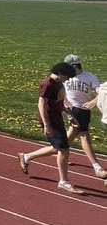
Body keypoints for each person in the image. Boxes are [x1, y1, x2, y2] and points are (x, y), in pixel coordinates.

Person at [18, 62, 83, 193]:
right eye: (67, 77)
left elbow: (59, 102)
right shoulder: (47, 84)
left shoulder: (59, 83)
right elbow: (41, 104)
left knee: (57, 148)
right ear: (60, 74)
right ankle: (64, 181)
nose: (67, 80)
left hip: (57, 118)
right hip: (50, 120)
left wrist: (69, 115)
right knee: (64, 149)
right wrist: (46, 124)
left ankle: (26, 157)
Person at [62, 54, 106, 179]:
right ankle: (97, 167)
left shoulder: (89, 77)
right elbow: (60, 92)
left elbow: (101, 91)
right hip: (74, 109)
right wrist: (66, 103)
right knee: (85, 136)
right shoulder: (65, 77)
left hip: (85, 110)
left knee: (69, 137)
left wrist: (94, 101)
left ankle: (29, 156)